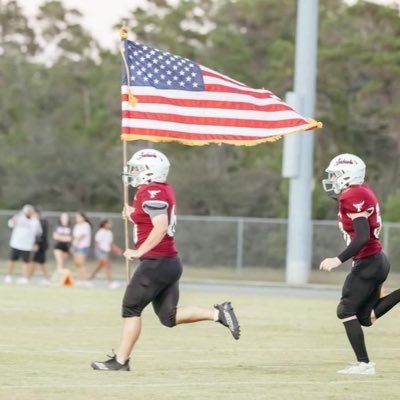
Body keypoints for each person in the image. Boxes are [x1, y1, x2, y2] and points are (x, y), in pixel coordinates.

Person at [91, 149, 240, 371]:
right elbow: (152, 218)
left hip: (156, 262)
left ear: (151, 172)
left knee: (131, 308)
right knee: (168, 317)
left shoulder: (152, 192)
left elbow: (160, 227)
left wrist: (139, 251)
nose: (133, 172)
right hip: (168, 262)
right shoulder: (158, 190)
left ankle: (120, 362)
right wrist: (133, 214)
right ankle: (219, 313)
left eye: (138, 168)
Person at [320, 153, 400, 375]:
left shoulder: (353, 195)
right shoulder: (359, 191)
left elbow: (362, 236)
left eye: (336, 174)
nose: (332, 178)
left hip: (369, 261)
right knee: (364, 317)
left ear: (348, 175)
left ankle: (364, 365)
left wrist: (338, 259)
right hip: (376, 260)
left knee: (345, 310)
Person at [4, 204, 42, 284]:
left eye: (29, 211)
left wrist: (36, 243)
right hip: (16, 243)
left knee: (26, 262)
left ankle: (24, 278)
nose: (28, 212)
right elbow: (10, 224)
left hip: (27, 245)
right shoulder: (18, 218)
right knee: (12, 260)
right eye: (26, 211)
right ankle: (8, 276)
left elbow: (38, 233)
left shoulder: (35, 221)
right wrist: (15, 219)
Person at [88, 219, 122, 289]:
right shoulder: (100, 232)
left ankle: (90, 279)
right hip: (100, 252)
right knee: (108, 266)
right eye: (109, 223)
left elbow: (110, 244)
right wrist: (100, 252)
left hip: (106, 252)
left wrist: (116, 249)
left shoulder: (110, 233)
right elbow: (97, 243)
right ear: (105, 224)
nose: (110, 225)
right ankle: (110, 282)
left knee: (99, 266)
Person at [28, 208, 50, 283]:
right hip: (35, 245)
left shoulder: (42, 222)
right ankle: (29, 277)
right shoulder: (33, 222)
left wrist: (36, 244)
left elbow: (40, 235)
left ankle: (46, 278)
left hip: (41, 245)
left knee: (40, 262)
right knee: (34, 261)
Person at [72, 211, 92, 280]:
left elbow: (82, 236)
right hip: (76, 246)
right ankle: (80, 276)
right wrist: (74, 245)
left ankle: (85, 277)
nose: (77, 218)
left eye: (78, 217)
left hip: (83, 246)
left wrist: (77, 242)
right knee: (76, 263)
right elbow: (74, 236)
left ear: (83, 218)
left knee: (81, 263)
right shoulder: (76, 225)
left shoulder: (86, 225)